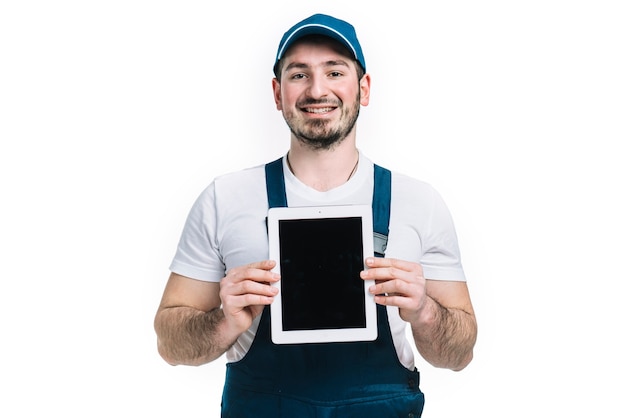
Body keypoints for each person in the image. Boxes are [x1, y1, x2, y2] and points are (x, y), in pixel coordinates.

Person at [154, 13, 477, 417]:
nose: (317, 89)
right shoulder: (225, 198)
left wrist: (424, 311)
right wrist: (224, 321)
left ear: (364, 88)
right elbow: (170, 345)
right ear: (277, 93)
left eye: (335, 71)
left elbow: (460, 354)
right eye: (299, 75)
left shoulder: (420, 202)